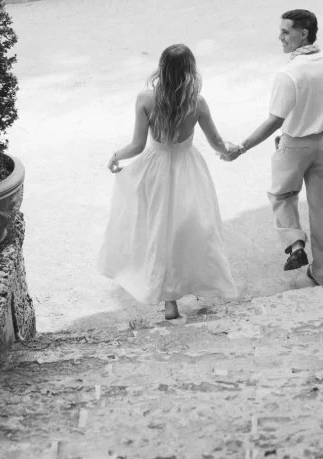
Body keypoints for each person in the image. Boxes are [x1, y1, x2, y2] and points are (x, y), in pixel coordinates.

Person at [97, 44, 238, 323]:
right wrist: (232, 150)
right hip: (188, 170)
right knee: (192, 229)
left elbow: (137, 146)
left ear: (161, 68)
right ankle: (196, 282)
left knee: (158, 232)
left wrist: (115, 157)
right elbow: (217, 143)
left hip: (155, 170)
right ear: (190, 70)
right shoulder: (196, 103)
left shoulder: (146, 100)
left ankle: (170, 303)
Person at [223, 9, 323, 286]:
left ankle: (295, 244)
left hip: (294, 144)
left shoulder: (288, 74)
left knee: (281, 195)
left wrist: (242, 147)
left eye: (285, 32)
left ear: (303, 34)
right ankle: (322, 273)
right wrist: (320, 123)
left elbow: (275, 121)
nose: (279, 37)